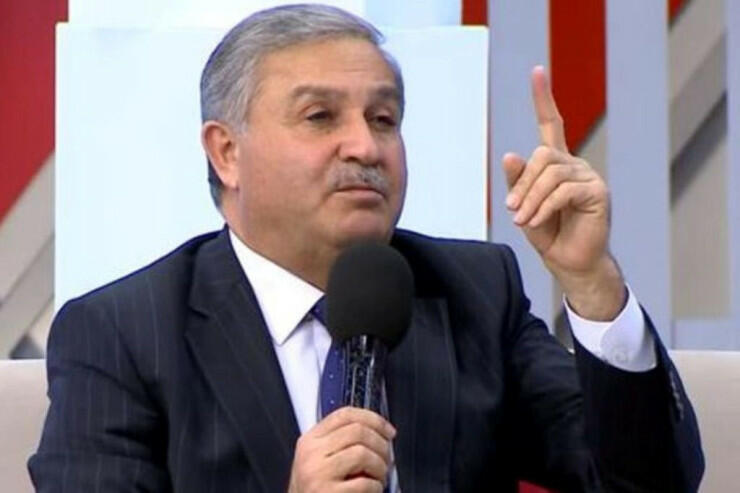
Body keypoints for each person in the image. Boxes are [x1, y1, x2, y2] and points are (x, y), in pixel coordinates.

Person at [29, 4, 703, 492]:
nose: (365, 146)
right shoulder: (123, 333)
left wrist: (591, 282)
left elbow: (648, 481)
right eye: (320, 116)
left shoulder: (473, 290)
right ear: (226, 152)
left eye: (384, 119)